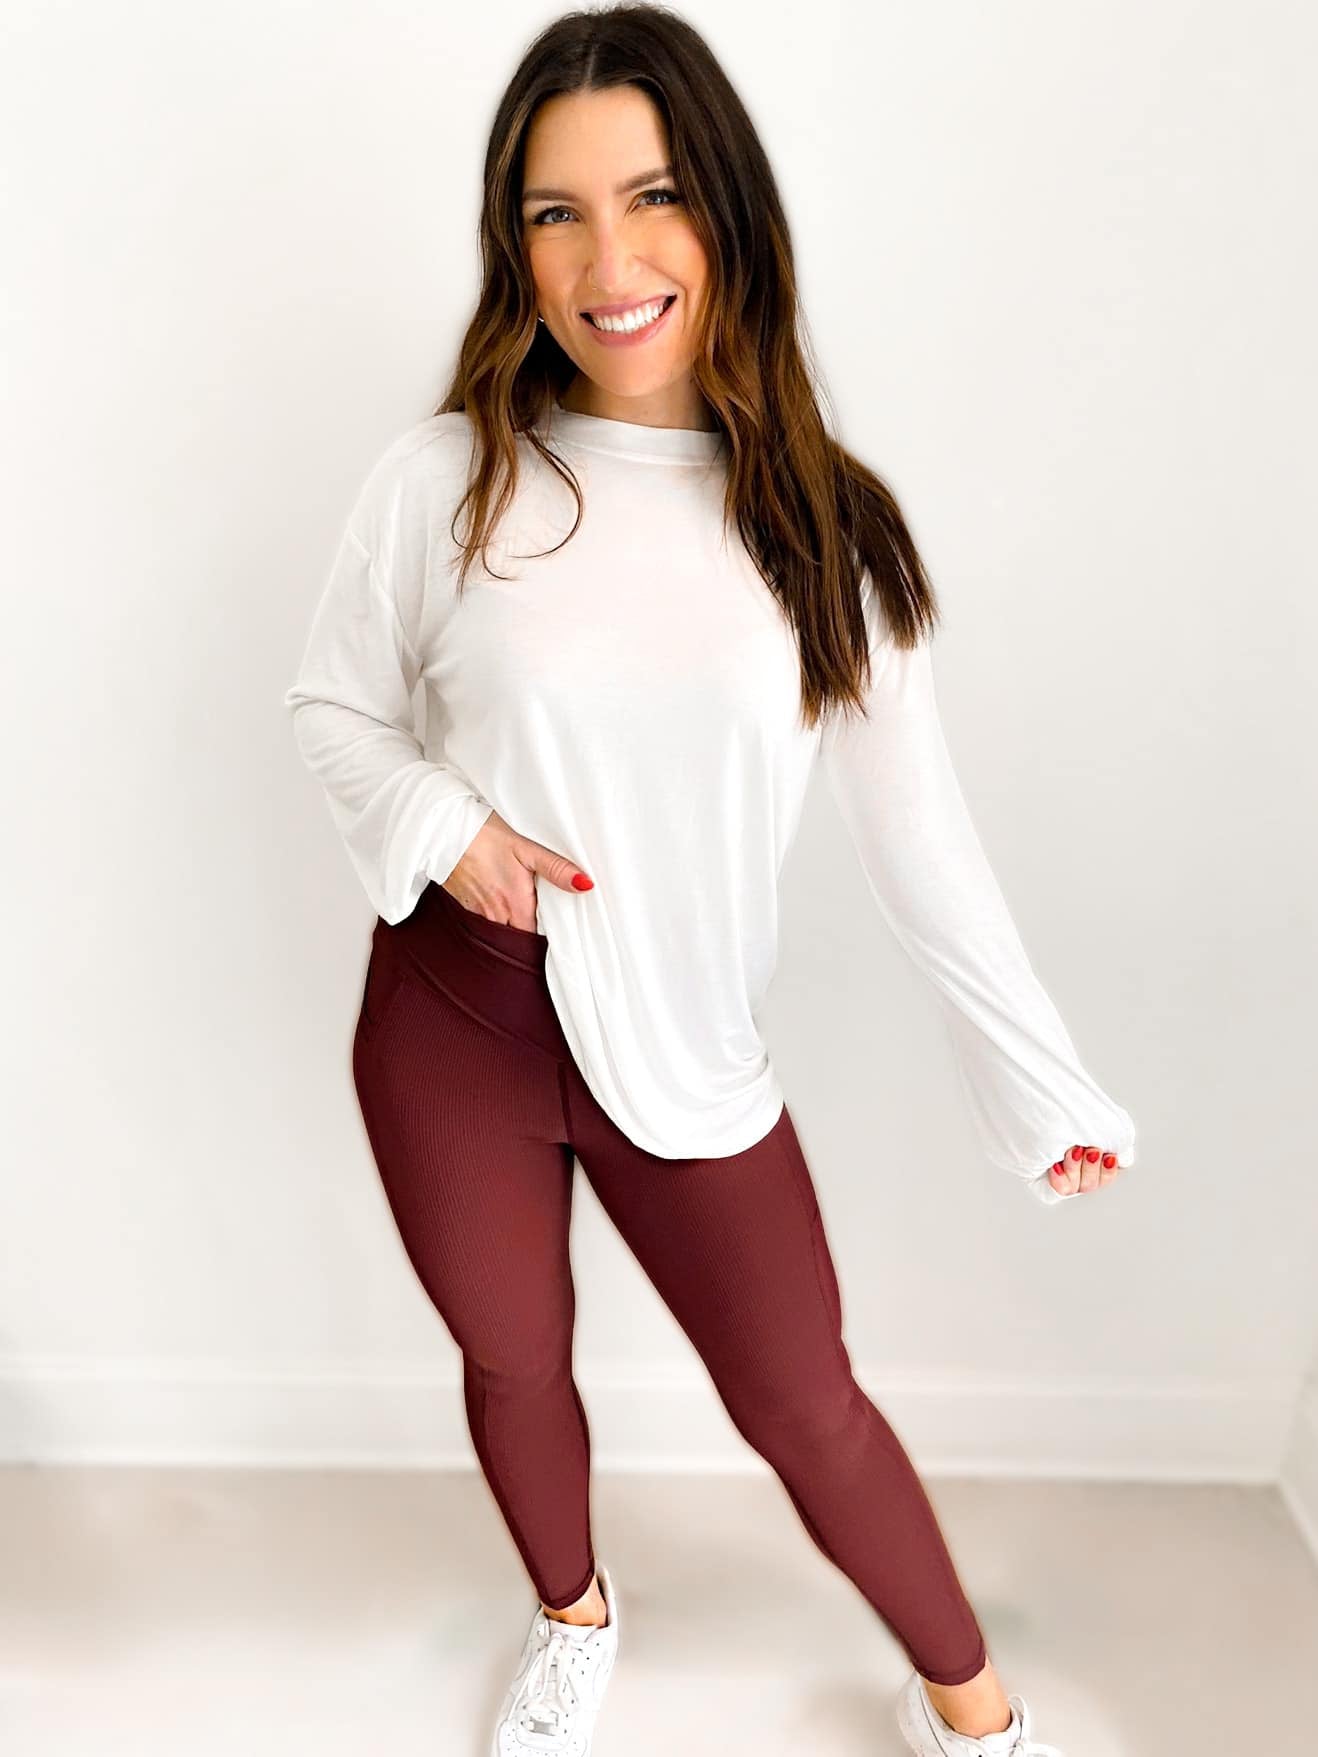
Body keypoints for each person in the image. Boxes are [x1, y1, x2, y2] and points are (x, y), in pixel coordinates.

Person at [283, 8, 1135, 1754]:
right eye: (555, 212)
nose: (607, 263)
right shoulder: (447, 478)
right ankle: (573, 1616)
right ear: (512, 243)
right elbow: (334, 707)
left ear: (727, 209)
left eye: (652, 195)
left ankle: (975, 1714)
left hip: (684, 1043)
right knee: (513, 1355)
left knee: (806, 1405)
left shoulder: (828, 530)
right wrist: (452, 829)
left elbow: (921, 845)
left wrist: (1039, 1079)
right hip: (453, 1018)